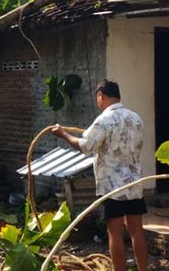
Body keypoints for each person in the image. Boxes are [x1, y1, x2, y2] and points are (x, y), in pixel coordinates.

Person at [51, 79, 147, 271]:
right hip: (135, 184)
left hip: (113, 187)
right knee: (137, 231)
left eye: (98, 98)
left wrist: (63, 134)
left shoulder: (104, 120)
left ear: (101, 96)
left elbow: (85, 146)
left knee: (115, 232)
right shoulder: (136, 118)